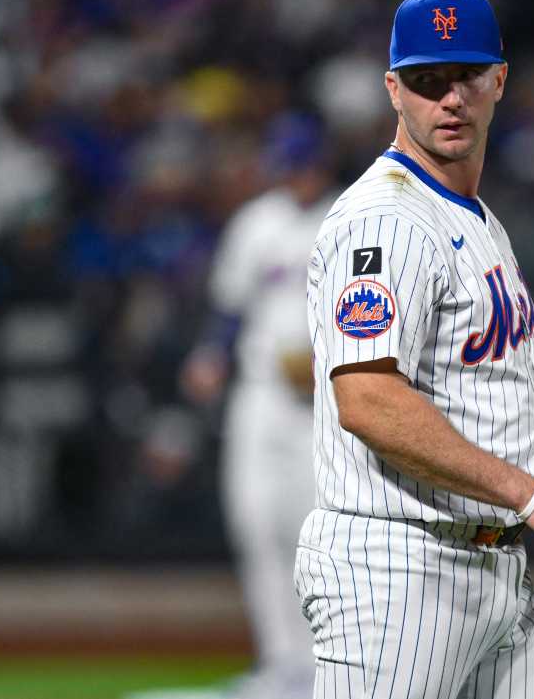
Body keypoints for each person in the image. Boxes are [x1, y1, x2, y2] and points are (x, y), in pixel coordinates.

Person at [295, 0, 534, 699]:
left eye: (467, 75)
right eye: (426, 80)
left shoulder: (475, 218)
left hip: (494, 570)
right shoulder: (386, 220)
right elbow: (368, 398)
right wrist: (533, 495)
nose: (450, 98)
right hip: (399, 575)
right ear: (393, 89)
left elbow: (468, 394)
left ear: (500, 79)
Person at [180, 112, 338, 699]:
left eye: (299, 165)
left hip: (330, 405)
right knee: (253, 522)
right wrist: (209, 355)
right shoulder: (257, 223)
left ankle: (327, 667)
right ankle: (281, 664)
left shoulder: (348, 217)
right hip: (261, 396)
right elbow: (229, 306)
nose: (291, 176)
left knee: (314, 535)